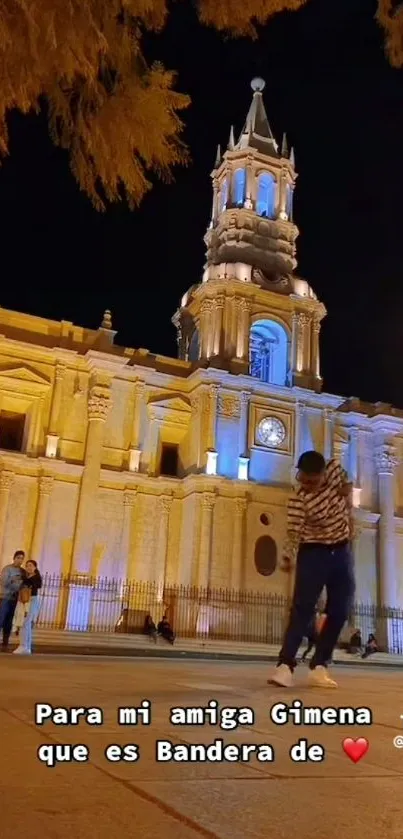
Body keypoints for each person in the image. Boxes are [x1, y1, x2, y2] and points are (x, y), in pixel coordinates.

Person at [268, 451, 355, 689]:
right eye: (304, 479)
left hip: (341, 551)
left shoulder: (335, 470)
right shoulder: (299, 500)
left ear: (323, 473)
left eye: (313, 480)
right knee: (303, 608)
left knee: (340, 609)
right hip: (313, 552)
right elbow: (293, 532)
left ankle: (320, 666)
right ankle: (285, 666)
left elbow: (349, 483)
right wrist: (287, 556)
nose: (307, 484)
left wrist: (347, 496)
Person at [13, 559, 42, 655]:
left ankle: (23, 646)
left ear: (35, 567)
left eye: (30, 565)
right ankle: (26, 646)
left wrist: (25, 580)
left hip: (31, 601)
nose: (28, 567)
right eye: (27, 566)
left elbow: (36, 585)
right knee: (26, 624)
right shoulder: (27, 577)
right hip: (25, 601)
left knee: (25, 623)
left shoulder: (35, 578)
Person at [0, 550, 26, 651]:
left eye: (22, 558)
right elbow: (4, 582)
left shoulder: (22, 571)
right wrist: (15, 582)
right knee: (1, 618)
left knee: (9, 621)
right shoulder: (7, 569)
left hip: (16, 599)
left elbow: (24, 584)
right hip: (5, 597)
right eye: (18, 558)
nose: (20, 560)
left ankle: (5, 641)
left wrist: (16, 582)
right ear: (14, 558)